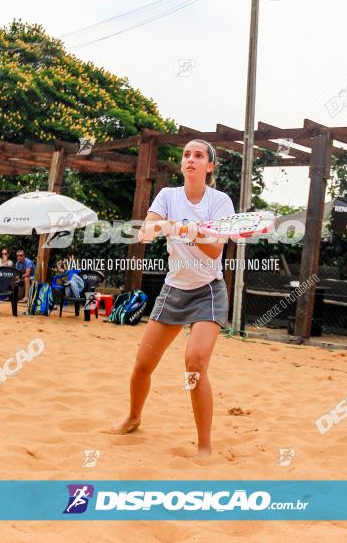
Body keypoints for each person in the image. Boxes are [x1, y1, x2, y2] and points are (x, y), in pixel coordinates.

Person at [103, 139, 235, 456]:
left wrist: (191, 231)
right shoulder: (168, 196)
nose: (191, 159)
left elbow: (216, 248)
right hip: (174, 289)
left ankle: (204, 446)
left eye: (199, 155)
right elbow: (145, 233)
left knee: (194, 364)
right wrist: (166, 225)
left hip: (208, 292)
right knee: (142, 365)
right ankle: (134, 417)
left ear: (209, 166)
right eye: (187, 155)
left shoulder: (220, 202)